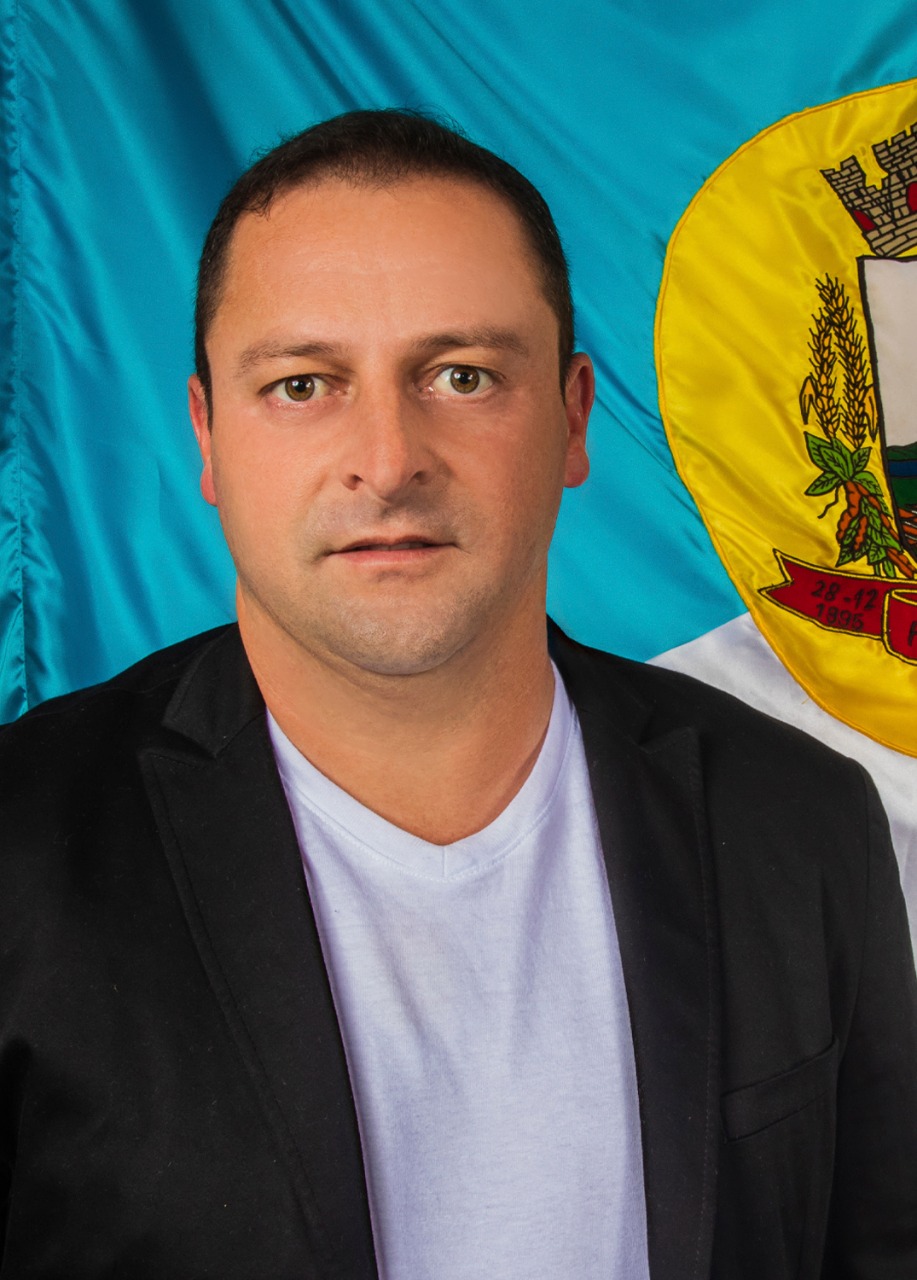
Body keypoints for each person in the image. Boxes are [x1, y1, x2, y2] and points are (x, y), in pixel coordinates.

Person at [1, 109, 916, 1280]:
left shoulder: (800, 818)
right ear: (208, 435)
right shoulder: (20, 847)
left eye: (461, 375)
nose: (387, 459)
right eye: (301, 384)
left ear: (573, 418)